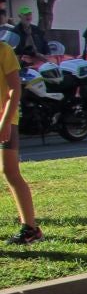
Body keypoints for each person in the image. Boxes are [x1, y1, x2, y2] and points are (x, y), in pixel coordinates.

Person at [0, 38, 38, 244]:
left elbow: (15, 88)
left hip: (5, 119)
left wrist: (6, 122)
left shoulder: (3, 50)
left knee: (10, 171)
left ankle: (30, 228)